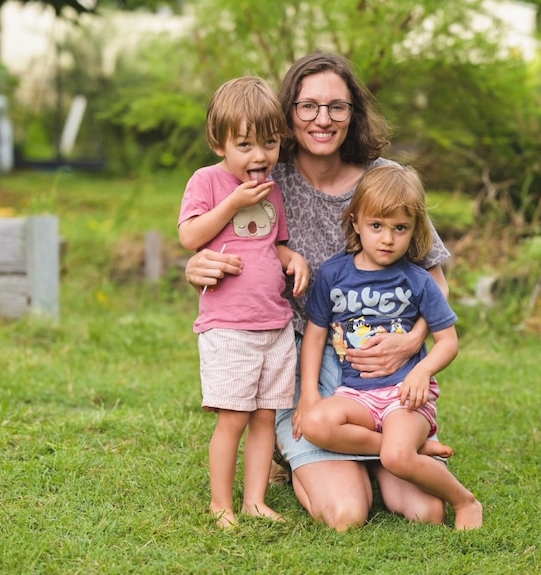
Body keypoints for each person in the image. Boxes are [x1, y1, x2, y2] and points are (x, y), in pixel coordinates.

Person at [185, 52, 455, 531]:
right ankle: (353, 453)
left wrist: (413, 340)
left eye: (337, 106)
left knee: (426, 511)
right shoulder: (263, 174)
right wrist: (197, 263)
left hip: (379, 368)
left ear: (354, 113)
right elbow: (217, 234)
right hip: (294, 355)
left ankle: (381, 450)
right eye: (307, 106)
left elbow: (432, 277)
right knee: (346, 514)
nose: (322, 119)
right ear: (287, 112)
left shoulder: (385, 178)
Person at [295, 164, 482, 530]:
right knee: (317, 422)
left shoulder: (416, 280)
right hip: (356, 395)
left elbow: (448, 342)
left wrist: (423, 370)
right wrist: (308, 396)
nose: (387, 239)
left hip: (404, 396)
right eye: (377, 226)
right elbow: (315, 336)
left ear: (415, 231)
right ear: (355, 222)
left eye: (400, 228)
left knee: (422, 502)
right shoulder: (334, 274)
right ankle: (410, 450)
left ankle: (465, 501)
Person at [178, 76, 309, 528]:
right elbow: (191, 236)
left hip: (274, 323)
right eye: (246, 144)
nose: (259, 157)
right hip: (229, 326)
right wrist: (232, 203)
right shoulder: (208, 181)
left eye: (270, 144)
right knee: (233, 417)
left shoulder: (272, 189)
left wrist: (295, 259)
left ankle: (255, 500)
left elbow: (274, 244)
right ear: (220, 143)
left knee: (264, 417)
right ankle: (221, 504)